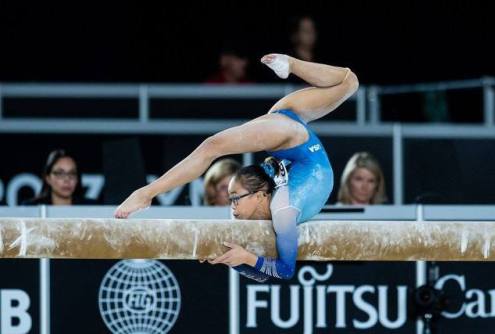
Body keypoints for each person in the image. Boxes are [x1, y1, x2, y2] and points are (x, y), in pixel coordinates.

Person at [115, 54, 358, 281]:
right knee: (349, 82)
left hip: (291, 139)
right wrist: (235, 260)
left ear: (261, 195)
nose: (233, 208)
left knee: (211, 147)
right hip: (294, 142)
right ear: (261, 195)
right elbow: (274, 272)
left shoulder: (283, 209)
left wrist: (244, 259)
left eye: (235, 199)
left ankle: (145, 194)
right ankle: (290, 64)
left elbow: (282, 270)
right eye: (233, 199)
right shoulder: (282, 211)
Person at [23, 149, 97, 205]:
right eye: (60, 174)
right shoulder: (32, 208)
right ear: (48, 178)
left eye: (72, 173)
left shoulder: (90, 208)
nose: (67, 179)